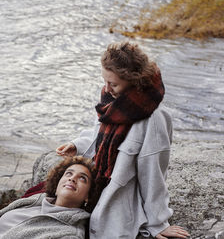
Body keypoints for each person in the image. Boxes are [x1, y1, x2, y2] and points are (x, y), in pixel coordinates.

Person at [56, 42, 190, 239]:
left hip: (120, 196)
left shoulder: (153, 118)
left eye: (114, 83)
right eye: (105, 81)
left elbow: (154, 174)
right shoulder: (113, 99)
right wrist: (78, 145)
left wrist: (158, 223)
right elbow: (99, 133)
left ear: (133, 80)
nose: (107, 88)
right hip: (97, 182)